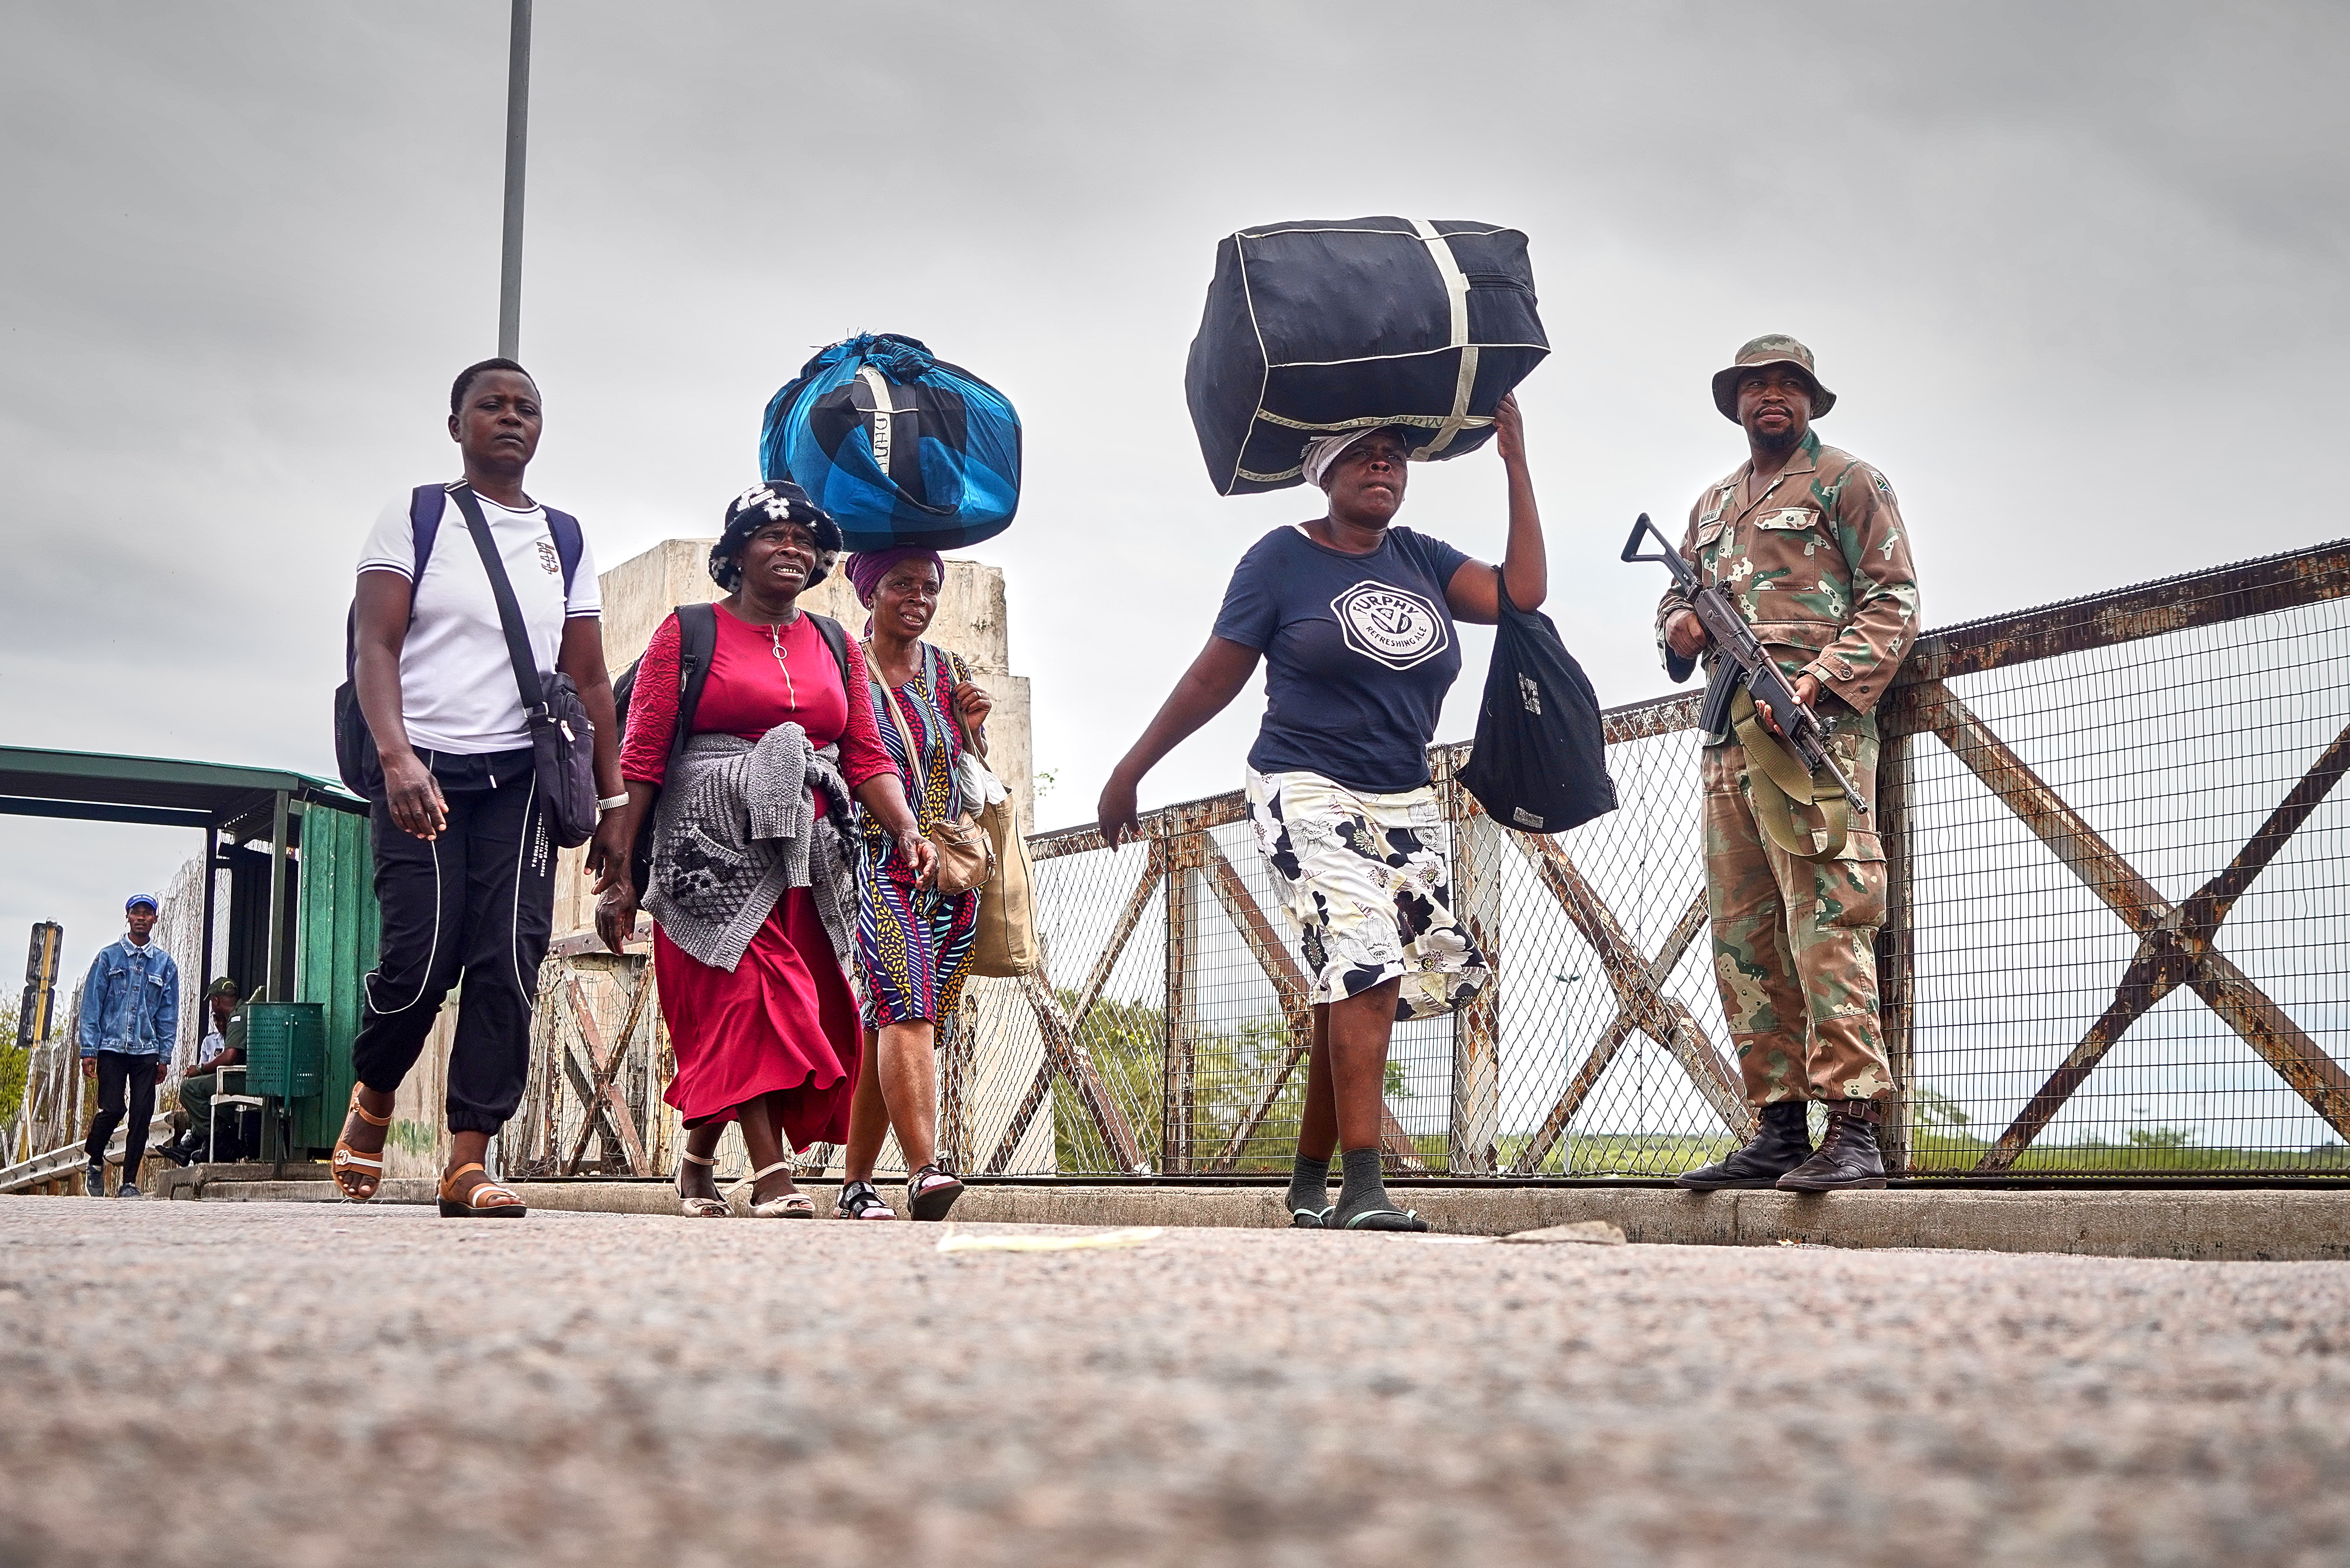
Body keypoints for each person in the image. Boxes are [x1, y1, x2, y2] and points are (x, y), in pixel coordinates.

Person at [1099, 396, 1546, 1231]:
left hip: (1404, 796)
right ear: (1326, 471)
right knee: (1368, 957)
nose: (1384, 466)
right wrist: (1132, 770)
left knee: (1361, 982)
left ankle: (1308, 1182)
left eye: (1396, 456)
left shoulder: (1421, 558)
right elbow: (1214, 676)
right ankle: (1365, 1190)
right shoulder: (1281, 560)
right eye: (1365, 454)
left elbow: (1522, 594)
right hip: (1302, 784)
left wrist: (1516, 465)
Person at [592, 484, 937, 1219]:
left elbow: (865, 752)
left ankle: (695, 1163)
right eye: (772, 534)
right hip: (707, 855)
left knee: (785, 1008)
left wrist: (907, 828)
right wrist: (619, 870)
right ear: (736, 553)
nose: (792, 547)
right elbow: (643, 755)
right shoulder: (687, 632)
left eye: (806, 539)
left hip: (804, 858)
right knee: (753, 1001)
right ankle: (773, 1178)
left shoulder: (836, 642)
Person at [338, 357, 626, 1218]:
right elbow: (374, 649)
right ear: (457, 423)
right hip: (422, 769)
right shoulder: (418, 516)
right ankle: (377, 1091)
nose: (510, 418)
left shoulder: (563, 537)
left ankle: (468, 1159)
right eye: (490, 405)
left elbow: (592, 678)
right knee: (419, 964)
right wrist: (397, 760)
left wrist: (613, 807)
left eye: (526, 407)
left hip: (520, 780)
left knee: (507, 959)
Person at [1661, 336, 1922, 1193]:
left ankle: (1853, 1130)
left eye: (1788, 386)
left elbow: (1894, 599)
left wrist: (1815, 681)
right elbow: (1676, 597)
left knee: (1826, 918)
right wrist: (1677, 627)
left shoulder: (1851, 481)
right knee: (1744, 934)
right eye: (1756, 386)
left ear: (1809, 400)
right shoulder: (1711, 506)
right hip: (1727, 740)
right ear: (1736, 402)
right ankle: (1778, 1128)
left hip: (1815, 733)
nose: (1771, 397)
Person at [835, 548, 994, 1223]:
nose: (918, 599)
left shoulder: (949, 669)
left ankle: (856, 1183)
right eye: (902, 584)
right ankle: (925, 1169)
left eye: (929, 587)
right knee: (908, 1006)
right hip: (876, 859)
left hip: (951, 869)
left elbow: (967, 769)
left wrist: (975, 730)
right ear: (870, 592)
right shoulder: (844, 663)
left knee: (892, 1022)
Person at [77, 893, 179, 1198]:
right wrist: (88, 1049)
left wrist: (164, 1055)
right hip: (111, 1047)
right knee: (113, 1108)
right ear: (128, 916)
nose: (141, 917)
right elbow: (92, 1005)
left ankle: (129, 1182)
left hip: (146, 1050)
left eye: (147, 913)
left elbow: (168, 1013)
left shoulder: (164, 964)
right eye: (136, 912)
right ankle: (95, 1161)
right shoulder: (108, 957)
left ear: (154, 920)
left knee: (141, 1114)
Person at [153, 978, 245, 1165]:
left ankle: (221, 1143)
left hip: (247, 1079)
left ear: (216, 1001)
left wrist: (201, 1069)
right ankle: (191, 1148)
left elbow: (229, 1057)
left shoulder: (238, 1016)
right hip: (246, 1076)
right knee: (206, 1097)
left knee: (190, 1090)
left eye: (211, 1002)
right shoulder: (243, 1011)